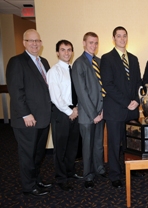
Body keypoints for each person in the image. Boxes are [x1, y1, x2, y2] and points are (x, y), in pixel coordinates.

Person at [6, 29, 52, 196]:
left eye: (37, 41)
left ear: (41, 43)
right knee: (27, 155)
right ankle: (29, 186)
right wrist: (26, 114)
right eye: (31, 41)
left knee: (38, 154)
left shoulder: (44, 62)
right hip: (27, 120)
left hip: (43, 118)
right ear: (24, 42)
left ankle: (37, 180)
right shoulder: (17, 62)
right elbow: (16, 91)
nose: (34, 44)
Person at [100, 26, 142, 188]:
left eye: (125, 36)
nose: (122, 39)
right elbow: (108, 85)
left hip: (132, 110)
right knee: (114, 144)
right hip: (116, 110)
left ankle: (132, 169)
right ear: (113, 38)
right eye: (119, 36)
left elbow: (139, 82)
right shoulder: (107, 58)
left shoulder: (134, 58)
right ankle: (115, 175)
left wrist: (137, 100)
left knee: (132, 143)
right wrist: (126, 102)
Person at [47, 40, 83, 192]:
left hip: (74, 111)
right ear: (57, 52)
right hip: (62, 113)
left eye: (69, 50)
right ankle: (61, 178)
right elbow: (56, 97)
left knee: (72, 145)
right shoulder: (53, 72)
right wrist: (70, 112)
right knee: (60, 148)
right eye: (63, 50)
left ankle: (70, 171)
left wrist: (77, 109)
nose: (66, 53)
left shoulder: (72, 69)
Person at [71, 32, 106, 190]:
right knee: (87, 146)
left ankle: (99, 169)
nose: (93, 45)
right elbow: (82, 92)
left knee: (98, 144)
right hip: (87, 115)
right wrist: (94, 114)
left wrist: (103, 111)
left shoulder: (99, 62)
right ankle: (88, 175)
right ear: (84, 43)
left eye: (96, 43)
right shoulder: (79, 63)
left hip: (101, 112)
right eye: (91, 42)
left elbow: (103, 89)